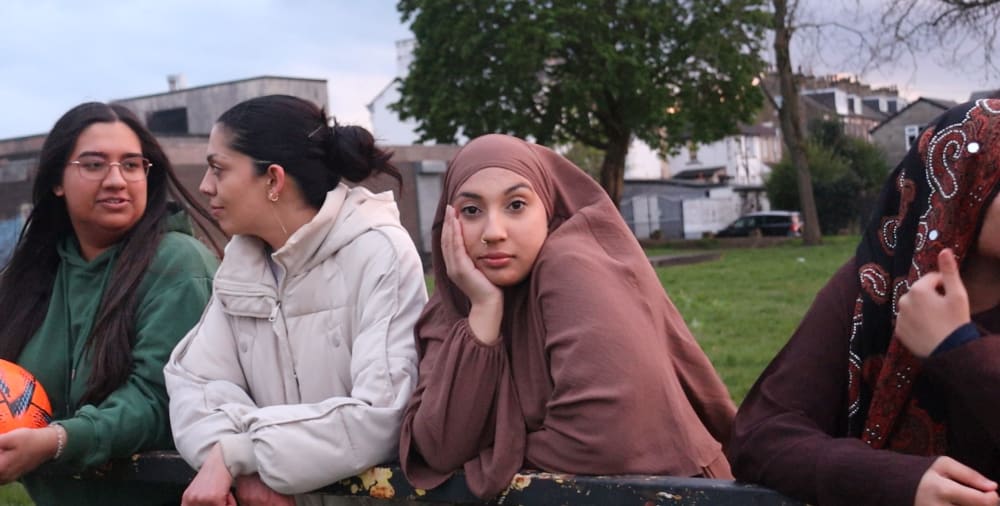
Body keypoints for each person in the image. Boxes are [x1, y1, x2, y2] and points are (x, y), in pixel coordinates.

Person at [399, 134, 735, 499]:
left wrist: (494, 459)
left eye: (515, 205)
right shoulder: (453, 301)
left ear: (548, 208)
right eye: (471, 211)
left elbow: (606, 434)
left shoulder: (572, 265)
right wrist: (484, 311)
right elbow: (438, 445)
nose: (494, 233)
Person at [728, 98, 1000, 506]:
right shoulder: (876, 284)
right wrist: (891, 481)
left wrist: (956, 349)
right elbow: (761, 436)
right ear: (963, 184)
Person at [164, 95, 426, 506]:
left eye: (219, 169)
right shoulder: (241, 265)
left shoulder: (380, 253)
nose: (205, 186)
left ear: (272, 179)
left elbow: (382, 414)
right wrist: (240, 465)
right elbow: (191, 385)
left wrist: (240, 453)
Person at [0, 102, 220, 505]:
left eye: (132, 165)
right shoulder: (31, 277)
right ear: (57, 181)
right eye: (94, 164)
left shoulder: (179, 264)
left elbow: (158, 401)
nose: (117, 180)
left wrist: (59, 440)